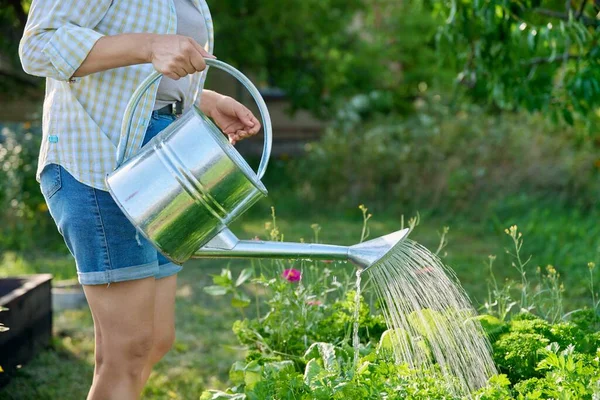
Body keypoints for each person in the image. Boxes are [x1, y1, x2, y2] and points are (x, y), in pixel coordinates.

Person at [19, 1, 261, 399]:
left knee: (155, 340)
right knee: (128, 349)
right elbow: (37, 46)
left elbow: (138, 74)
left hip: (158, 161)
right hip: (97, 158)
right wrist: (149, 45)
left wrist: (204, 99)